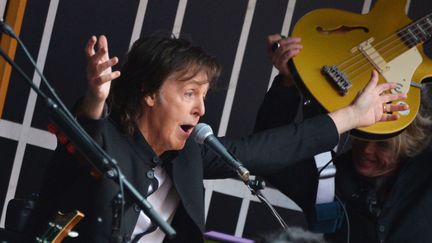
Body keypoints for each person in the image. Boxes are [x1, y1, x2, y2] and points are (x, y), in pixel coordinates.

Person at [27, 33, 406, 243]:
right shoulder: (106, 142)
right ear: (148, 93)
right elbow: (85, 136)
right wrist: (95, 97)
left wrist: (355, 115)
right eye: (190, 93)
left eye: (204, 96)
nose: (200, 109)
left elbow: (276, 146)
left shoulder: (191, 157)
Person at [258, 34, 432, 243]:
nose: (367, 150)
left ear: (412, 143)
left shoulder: (425, 178)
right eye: (363, 134)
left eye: (383, 145)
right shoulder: (326, 175)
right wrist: (289, 81)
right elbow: (267, 153)